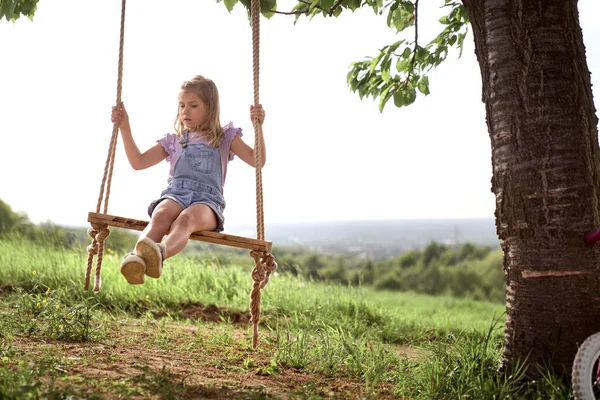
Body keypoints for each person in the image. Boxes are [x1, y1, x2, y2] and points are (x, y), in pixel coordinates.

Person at [110, 75, 266, 285]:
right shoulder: (174, 141)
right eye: (182, 105)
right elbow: (138, 162)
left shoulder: (224, 137)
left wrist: (258, 127)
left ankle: (159, 253)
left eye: (193, 105)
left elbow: (257, 160)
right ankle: (136, 259)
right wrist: (124, 126)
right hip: (176, 193)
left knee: (186, 219)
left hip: (207, 202)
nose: (185, 111)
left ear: (210, 107)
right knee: (162, 214)